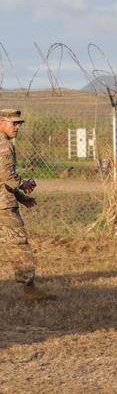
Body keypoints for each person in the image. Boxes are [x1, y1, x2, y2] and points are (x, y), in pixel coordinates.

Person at [0, 109, 55, 301]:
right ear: (1, 123)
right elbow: (7, 176)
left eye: (19, 123)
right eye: (13, 123)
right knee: (19, 245)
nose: (17, 127)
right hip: (3, 208)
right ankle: (29, 289)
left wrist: (20, 197)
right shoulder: (3, 144)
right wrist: (24, 185)